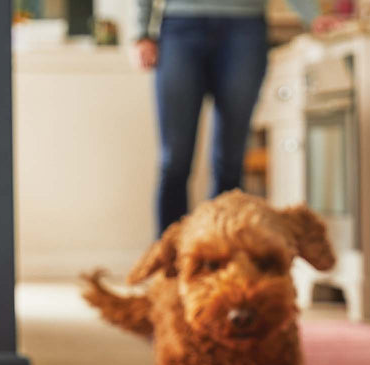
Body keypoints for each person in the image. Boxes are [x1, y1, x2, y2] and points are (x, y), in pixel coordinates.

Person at [133, 0, 339, 236]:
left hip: (245, 28)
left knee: (230, 162)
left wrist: (312, 16)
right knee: (174, 161)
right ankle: (170, 265)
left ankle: (223, 257)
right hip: (180, 26)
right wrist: (141, 32)